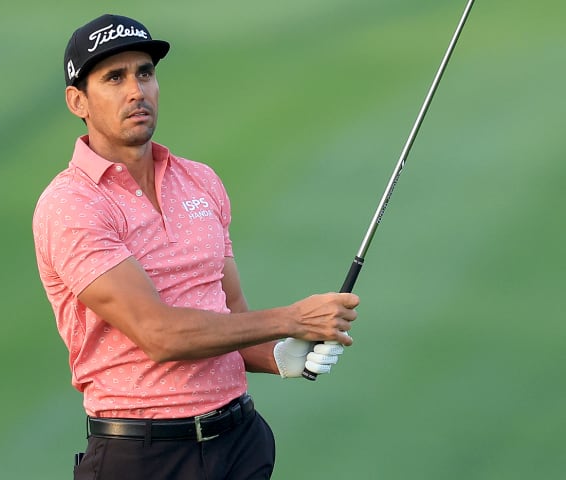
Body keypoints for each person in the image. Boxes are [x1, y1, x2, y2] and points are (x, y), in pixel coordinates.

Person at [32, 13, 360, 480]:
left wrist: (284, 353)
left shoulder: (198, 181)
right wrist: (294, 317)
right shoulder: (72, 204)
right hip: (144, 457)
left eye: (145, 72)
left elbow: (231, 319)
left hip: (239, 442)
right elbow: (160, 336)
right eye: (114, 78)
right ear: (77, 100)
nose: (136, 91)